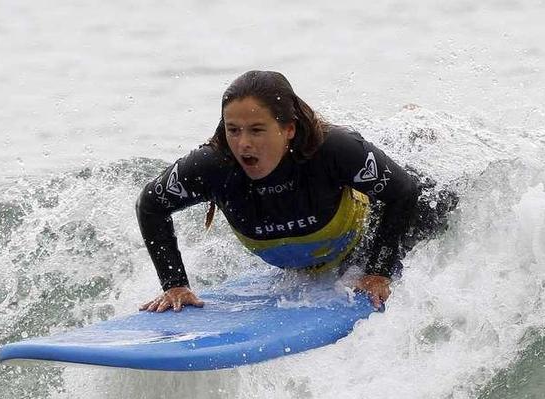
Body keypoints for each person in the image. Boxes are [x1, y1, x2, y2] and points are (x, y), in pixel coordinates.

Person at [136, 70, 457, 312]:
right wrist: (174, 284)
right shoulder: (212, 167)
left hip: (366, 232)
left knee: (440, 199)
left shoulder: (333, 150)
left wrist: (379, 272)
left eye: (257, 130)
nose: (243, 143)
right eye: (233, 130)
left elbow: (403, 193)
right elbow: (150, 205)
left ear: (288, 129)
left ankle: (412, 128)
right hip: (313, 251)